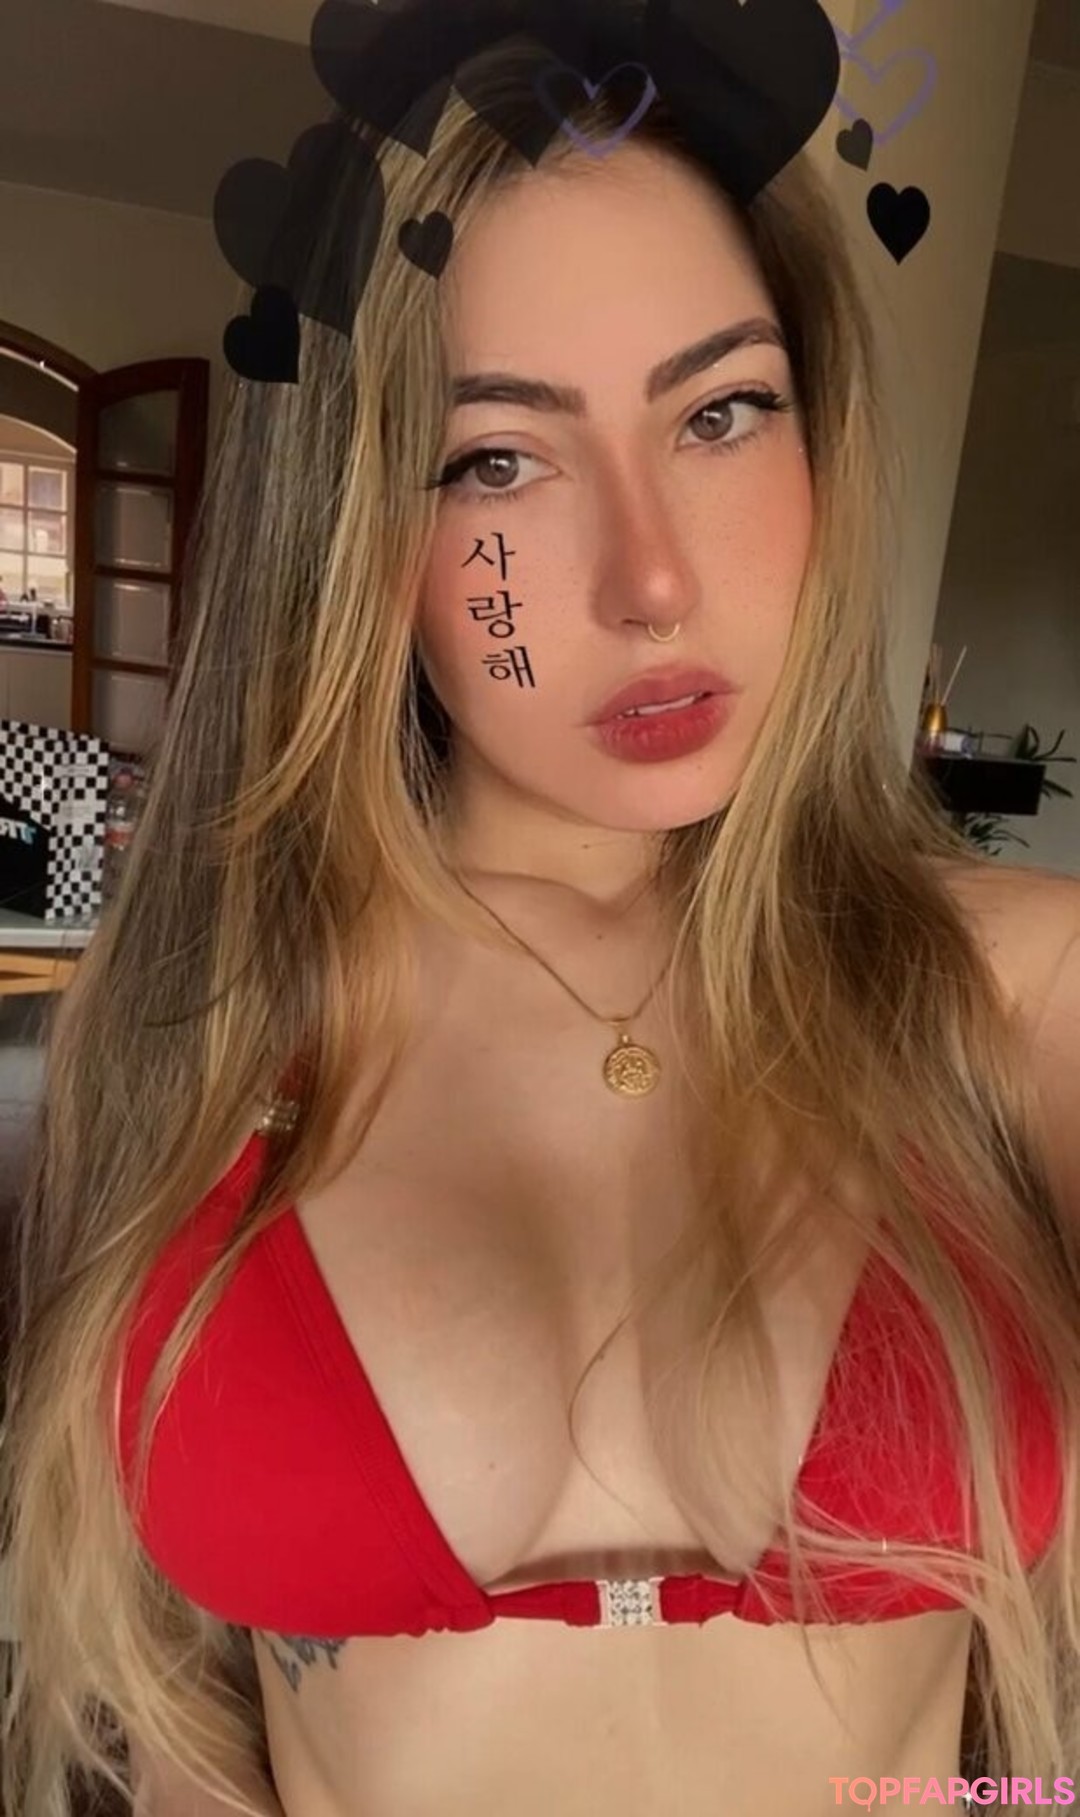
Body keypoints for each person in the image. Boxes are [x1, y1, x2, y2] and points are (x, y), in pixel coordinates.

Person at [3, 24, 1080, 1817]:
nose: (652, 579)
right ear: (358, 519)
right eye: (498, 459)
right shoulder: (205, 1018)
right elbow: (188, 1715)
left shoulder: (1017, 994)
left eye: (721, 412)